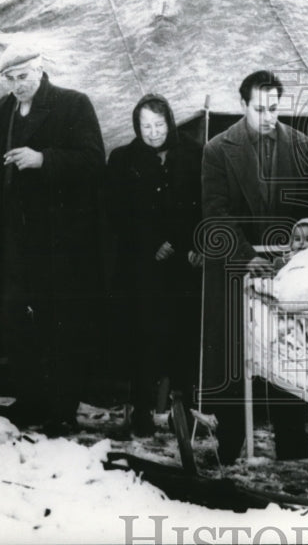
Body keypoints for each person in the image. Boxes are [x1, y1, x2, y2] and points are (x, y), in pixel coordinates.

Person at [200, 70, 308, 464]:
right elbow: (215, 212)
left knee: (289, 350)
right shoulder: (217, 149)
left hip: (289, 271)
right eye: (260, 109)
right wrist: (244, 256)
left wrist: (301, 245)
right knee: (237, 353)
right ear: (243, 105)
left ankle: (292, 437)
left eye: (274, 107)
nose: (269, 116)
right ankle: (231, 439)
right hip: (237, 269)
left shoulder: (301, 145)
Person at [0, 45, 106, 434]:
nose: (17, 85)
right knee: (19, 321)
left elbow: (92, 161)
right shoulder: (0, 114)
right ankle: (29, 399)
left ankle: (62, 408)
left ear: (40, 70)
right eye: (11, 78)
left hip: (60, 240)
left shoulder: (73, 105)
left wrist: (44, 159)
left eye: (24, 77)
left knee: (60, 322)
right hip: (15, 237)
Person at [106, 94, 202, 436]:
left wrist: (181, 242)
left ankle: (183, 412)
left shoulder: (194, 154)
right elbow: (116, 213)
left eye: (159, 125)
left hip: (183, 266)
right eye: (145, 126)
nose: (153, 133)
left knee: (183, 338)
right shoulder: (123, 159)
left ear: (170, 122)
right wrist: (150, 245)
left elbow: (201, 206)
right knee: (142, 338)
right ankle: (142, 412)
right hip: (141, 268)